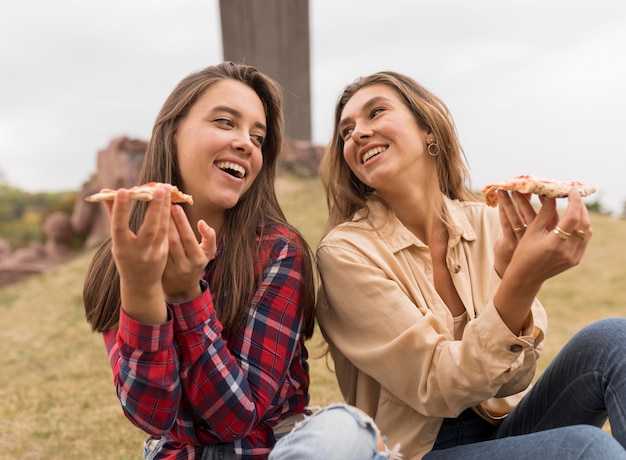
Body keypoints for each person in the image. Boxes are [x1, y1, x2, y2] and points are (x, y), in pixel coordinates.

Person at [312, 70, 626, 459]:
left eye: (376, 113)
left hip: (506, 429)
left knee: (616, 339)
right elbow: (435, 386)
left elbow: (519, 376)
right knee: (585, 447)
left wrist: (514, 279)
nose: (357, 132)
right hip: (415, 453)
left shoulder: (489, 221)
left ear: (429, 130)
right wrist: (520, 284)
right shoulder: (345, 253)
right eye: (346, 131)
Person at [82, 62, 318, 459]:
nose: (245, 143)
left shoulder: (277, 250)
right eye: (225, 122)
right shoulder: (125, 256)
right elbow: (152, 416)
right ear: (172, 134)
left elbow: (236, 418)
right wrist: (140, 292)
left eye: (258, 137)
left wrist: (186, 295)